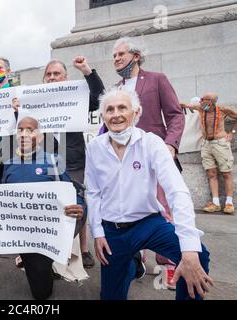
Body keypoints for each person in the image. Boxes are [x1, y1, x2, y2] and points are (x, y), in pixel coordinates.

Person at [86, 88, 212, 300]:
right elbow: (93, 192)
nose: (116, 114)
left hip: (148, 223)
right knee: (110, 296)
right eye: (110, 109)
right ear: (103, 117)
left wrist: (189, 249)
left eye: (122, 108)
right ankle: (130, 266)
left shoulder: (151, 143)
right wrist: (97, 232)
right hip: (113, 231)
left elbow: (177, 191)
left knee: (198, 254)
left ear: (136, 113)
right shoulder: (94, 147)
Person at [0, 116, 87, 300]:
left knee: (41, 294)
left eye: (30, 130)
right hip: (10, 228)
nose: (24, 134)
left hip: (39, 235)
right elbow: (0, 198)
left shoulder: (53, 162)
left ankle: (44, 268)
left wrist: (78, 206)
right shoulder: (9, 163)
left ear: (39, 136)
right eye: (20, 130)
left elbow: (73, 192)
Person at [12, 57, 105, 269]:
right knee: (47, 204)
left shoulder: (76, 97)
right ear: (44, 79)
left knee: (77, 202)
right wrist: (17, 111)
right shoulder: (33, 101)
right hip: (44, 162)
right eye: (49, 74)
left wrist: (87, 71)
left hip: (73, 161)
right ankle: (43, 250)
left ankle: (83, 249)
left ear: (66, 77)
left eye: (57, 74)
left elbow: (99, 97)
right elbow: (24, 128)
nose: (52, 77)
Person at [112, 36, 186, 283]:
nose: (116, 58)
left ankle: (170, 264)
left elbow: (176, 115)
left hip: (156, 157)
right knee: (133, 210)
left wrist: (171, 145)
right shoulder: (116, 89)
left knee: (163, 211)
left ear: (135, 56)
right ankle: (137, 262)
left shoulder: (156, 80)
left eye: (120, 54)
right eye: (114, 56)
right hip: (126, 161)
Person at [181, 93, 237, 214]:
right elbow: (184, 104)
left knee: (226, 173)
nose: (200, 101)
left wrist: (232, 132)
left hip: (220, 144)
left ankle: (229, 203)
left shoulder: (222, 109)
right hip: (206, 145)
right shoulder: (201, 108)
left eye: (203, 99)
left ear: (210, 102)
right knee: (211, 173)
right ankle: (215, 203)